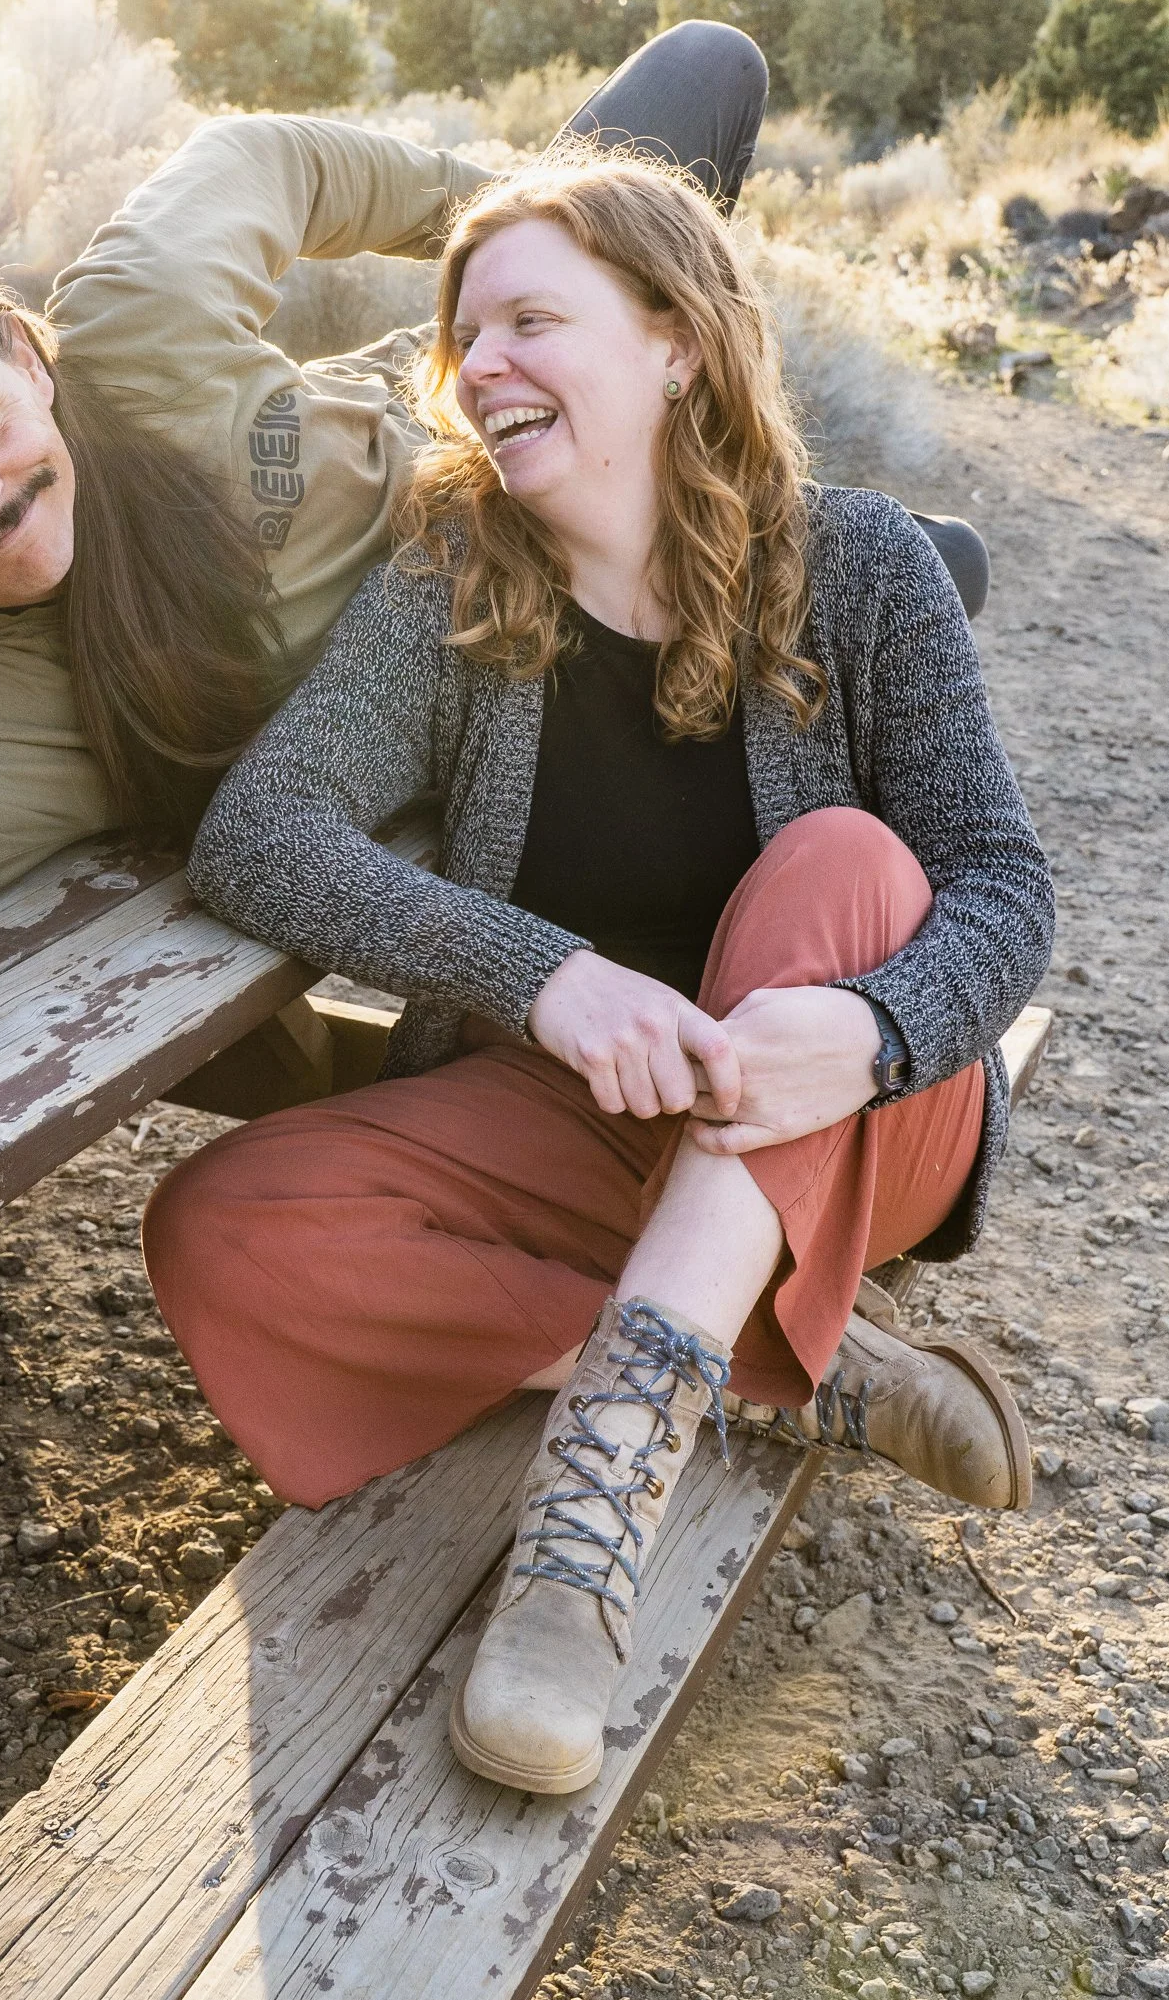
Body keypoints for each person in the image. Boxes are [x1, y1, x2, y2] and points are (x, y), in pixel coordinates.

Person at [144, 146, 1055, 1800]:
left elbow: (1002, 884)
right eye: (463, 333)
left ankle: (584, 1527)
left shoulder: (856, 565)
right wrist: (544, 973)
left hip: (860, 1118)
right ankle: (784, 1352)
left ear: (673, 339)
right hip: (580, 1114)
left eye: (529, 318)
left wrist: (863, 1028)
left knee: (841, 860)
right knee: (223, 1226)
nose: (479, 364)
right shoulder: (449, 583)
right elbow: (258, 832)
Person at [0, 23, 780, 976]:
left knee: (704, 69)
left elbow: (267, 157)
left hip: (448, 396)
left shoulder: (131, 322)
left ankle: (667, 371)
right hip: (538, 583)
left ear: (25, 358)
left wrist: (506, 250)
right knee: (894, 576)